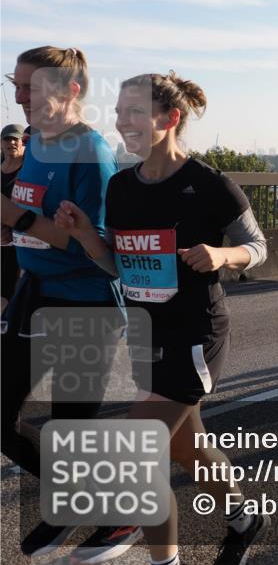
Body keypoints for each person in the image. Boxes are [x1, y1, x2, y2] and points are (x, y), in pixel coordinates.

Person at [55, 72, 271, 565]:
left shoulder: (210, 184)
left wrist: (222, 255)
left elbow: (257, 247)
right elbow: (118, 264)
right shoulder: (121, 187)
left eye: (133, 112)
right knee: (186, 450)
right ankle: (243, 517)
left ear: (169, 119)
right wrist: (88, 234)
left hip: (196, 334)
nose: (121, 121)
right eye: (119, 112)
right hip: (147, 334)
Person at [0, 46, 122, 559]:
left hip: (85, 300)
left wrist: (16, 218)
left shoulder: (89, 152)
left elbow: (93, 247)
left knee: (72, 428)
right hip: (34, 291)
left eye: (32, 86)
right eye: (16, 83)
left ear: (71, 91)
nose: (19, 96)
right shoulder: (36, 146)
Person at [1, 123, 27, 306]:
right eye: (7, 138)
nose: (12, 142)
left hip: (20, 247)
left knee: (13, 297)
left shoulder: (29, 172)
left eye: (16, 138)